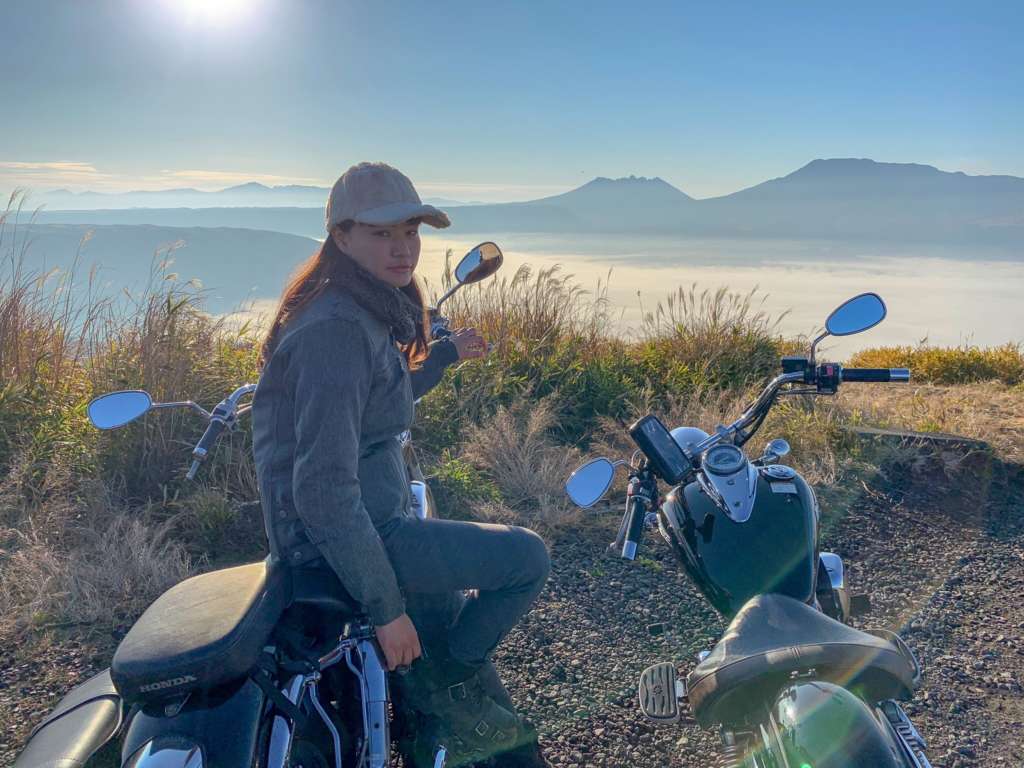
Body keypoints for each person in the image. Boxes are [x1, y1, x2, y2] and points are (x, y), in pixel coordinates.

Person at [251, 162, 551, 767]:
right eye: (382, 233)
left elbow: (378, 398)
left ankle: (441, 698)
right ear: (341, 236)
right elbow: (323, 491)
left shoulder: (359, 308)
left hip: (373, 518)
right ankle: (450, 683)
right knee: (526, 559)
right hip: (344, 538)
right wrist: (387, 610)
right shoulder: (334, 329)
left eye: (411, 231)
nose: (402, 248)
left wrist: (443, 355)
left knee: (450, 607)